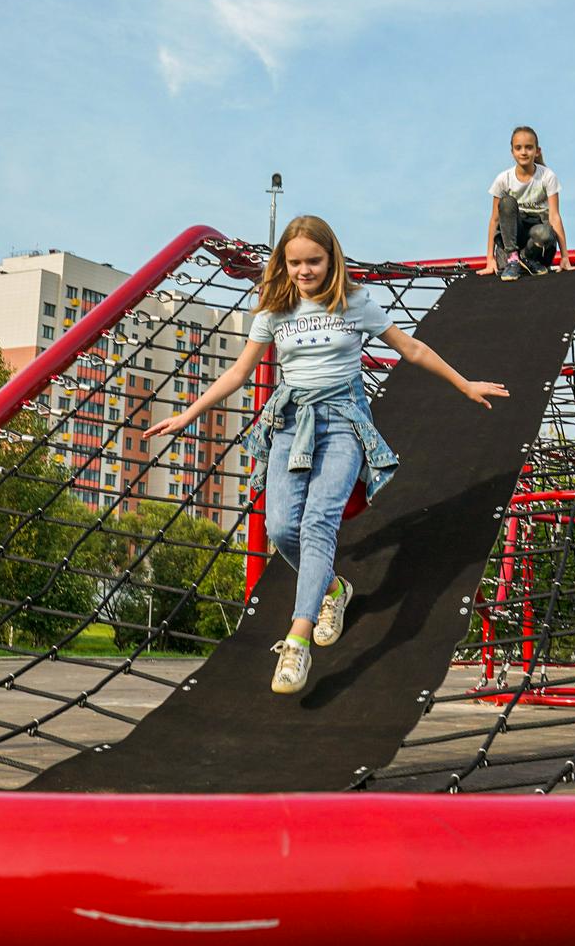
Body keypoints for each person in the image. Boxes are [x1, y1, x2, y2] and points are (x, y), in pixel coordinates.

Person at [144, 215, 509, 695]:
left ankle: (296, 641)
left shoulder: (354, 302)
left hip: (342, 424)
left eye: (313, 261)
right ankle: (334, 589)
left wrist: (465, 384)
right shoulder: (274, 309)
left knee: (318, 522)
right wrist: (188, 415)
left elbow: (411, 348)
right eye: (294, 262)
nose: (303, 271)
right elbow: (238, 373)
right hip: (291, 423)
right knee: (280, 527)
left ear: (331, 258)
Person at [479, 125, 571, 281]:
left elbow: (555, 217)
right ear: (512, 152)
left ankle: (527, 257)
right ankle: (514, 259)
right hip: (513, 238)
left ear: (537, 151)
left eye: (529, 147)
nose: (523, 152)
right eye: (518, 148)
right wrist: (490, 259)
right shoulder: (504, 179)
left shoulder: (547, 176)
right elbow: (494, 219)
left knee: (545, 232)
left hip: (536, 243)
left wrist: (565, 256)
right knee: (507, 202)